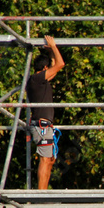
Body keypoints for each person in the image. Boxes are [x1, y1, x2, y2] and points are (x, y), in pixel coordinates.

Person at [25, 35, 65, 190]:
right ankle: (41, 194)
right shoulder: (36, 79)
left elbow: (55, 65)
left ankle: (44, 192)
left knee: (49, 160)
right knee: (45, 159)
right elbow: (60, 64)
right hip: (41, 126)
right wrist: (54, 46)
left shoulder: (40, 81)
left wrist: (50, 53)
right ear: (44, 69)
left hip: (45, 125)